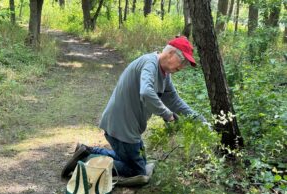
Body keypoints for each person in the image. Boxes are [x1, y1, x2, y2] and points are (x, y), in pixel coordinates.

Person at [61, 36, 208, 179]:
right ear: (170, 53)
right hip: (122, 128)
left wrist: (200, 120)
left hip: (128, 129)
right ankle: (85, 162)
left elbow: (175, 101)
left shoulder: (164, 75)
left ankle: (87, 151)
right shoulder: (150, 64)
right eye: (182, 61)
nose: (182, 67)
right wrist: (167, 115)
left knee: (136, 161)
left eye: (185, 65)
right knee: (137, 171)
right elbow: (146, 92)